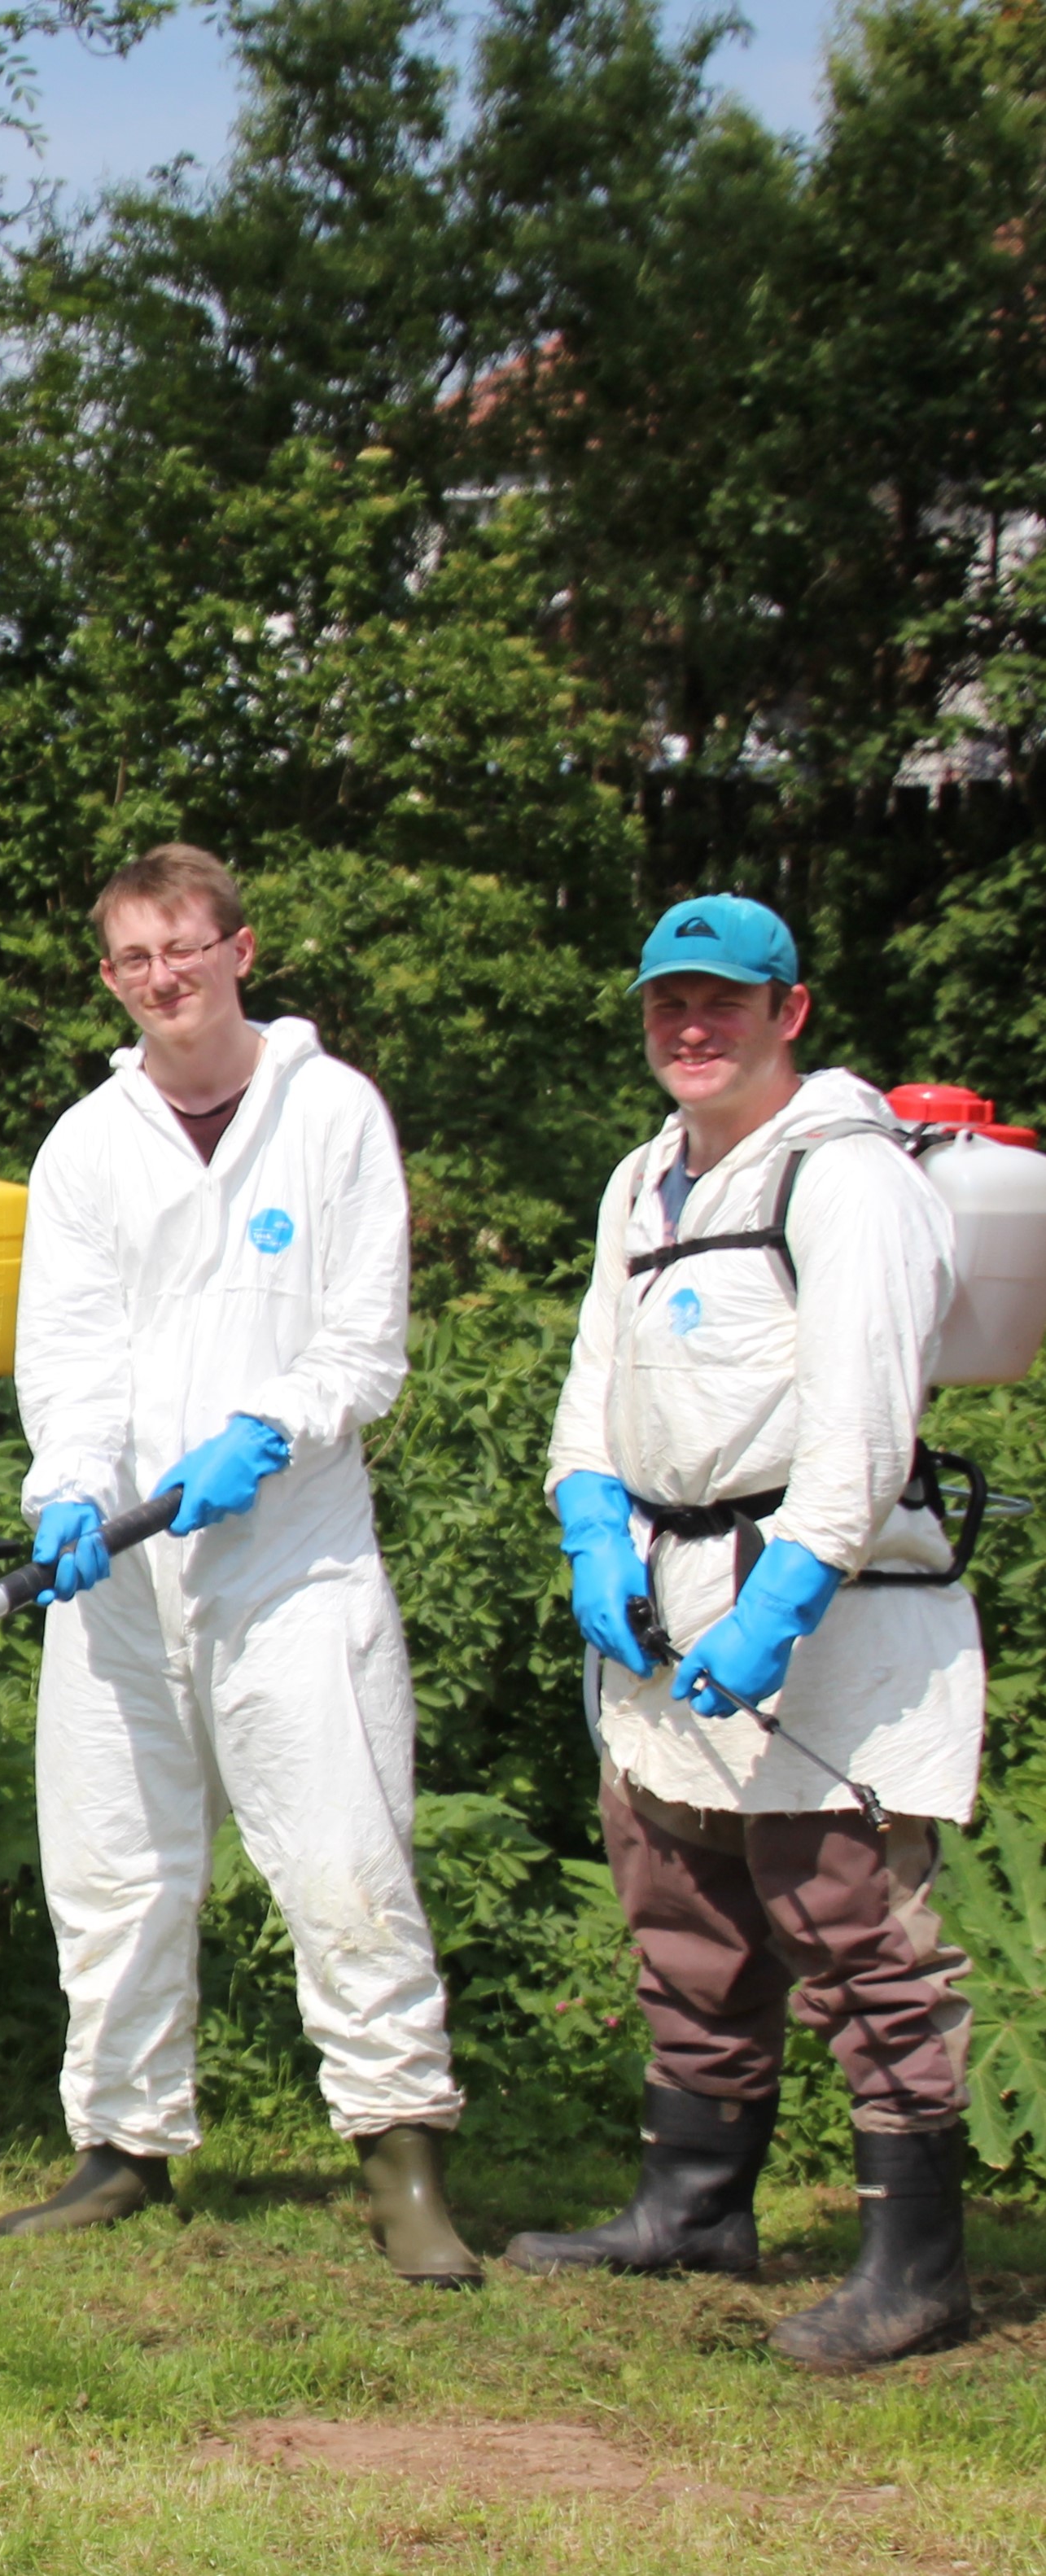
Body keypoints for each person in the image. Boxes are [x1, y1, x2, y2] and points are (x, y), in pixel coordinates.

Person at [509, 895, 983, 2370]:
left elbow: (862, 1428)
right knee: (685, 1914)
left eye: (723, 1001)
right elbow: (597, 1376)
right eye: (668, 1004)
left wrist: (786, 1599)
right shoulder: (646, 1177)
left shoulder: (850, 1182)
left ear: (792, 1009)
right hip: (660, 1605)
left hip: (827, 1614)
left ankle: (916, 2267)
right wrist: (590, 1515)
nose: (691, 1027)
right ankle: (695, 2204)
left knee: (851, 1929)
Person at [1, 843, 478, 2283]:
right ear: (110, 978)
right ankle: (123, 2143)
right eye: (136, 959)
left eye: (186, 949)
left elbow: (361, 1339)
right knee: (116, 1861)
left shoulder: (330, 1114)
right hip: (124, 1569)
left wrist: (269, 1430)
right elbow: (70, 1353)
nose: (165, 978)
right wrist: (72, 1489)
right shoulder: (89, 1143)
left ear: (240, 950)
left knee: (344, 1851)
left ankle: (401, 2161)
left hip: (292, 1553)